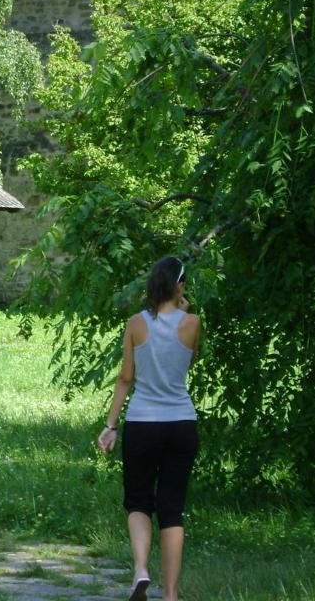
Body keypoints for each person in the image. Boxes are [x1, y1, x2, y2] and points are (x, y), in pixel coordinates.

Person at [97, 257, 200, 601]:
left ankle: (141, 570)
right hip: (182, 424)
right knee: (172, 510)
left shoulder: (136, 324)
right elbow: (190, 360)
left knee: (139, 502)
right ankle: (170, 594)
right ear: (180, 286)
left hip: (143, 423)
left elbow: (126, 378)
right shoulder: (193, 323)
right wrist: (183, 308)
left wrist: (111, 425)